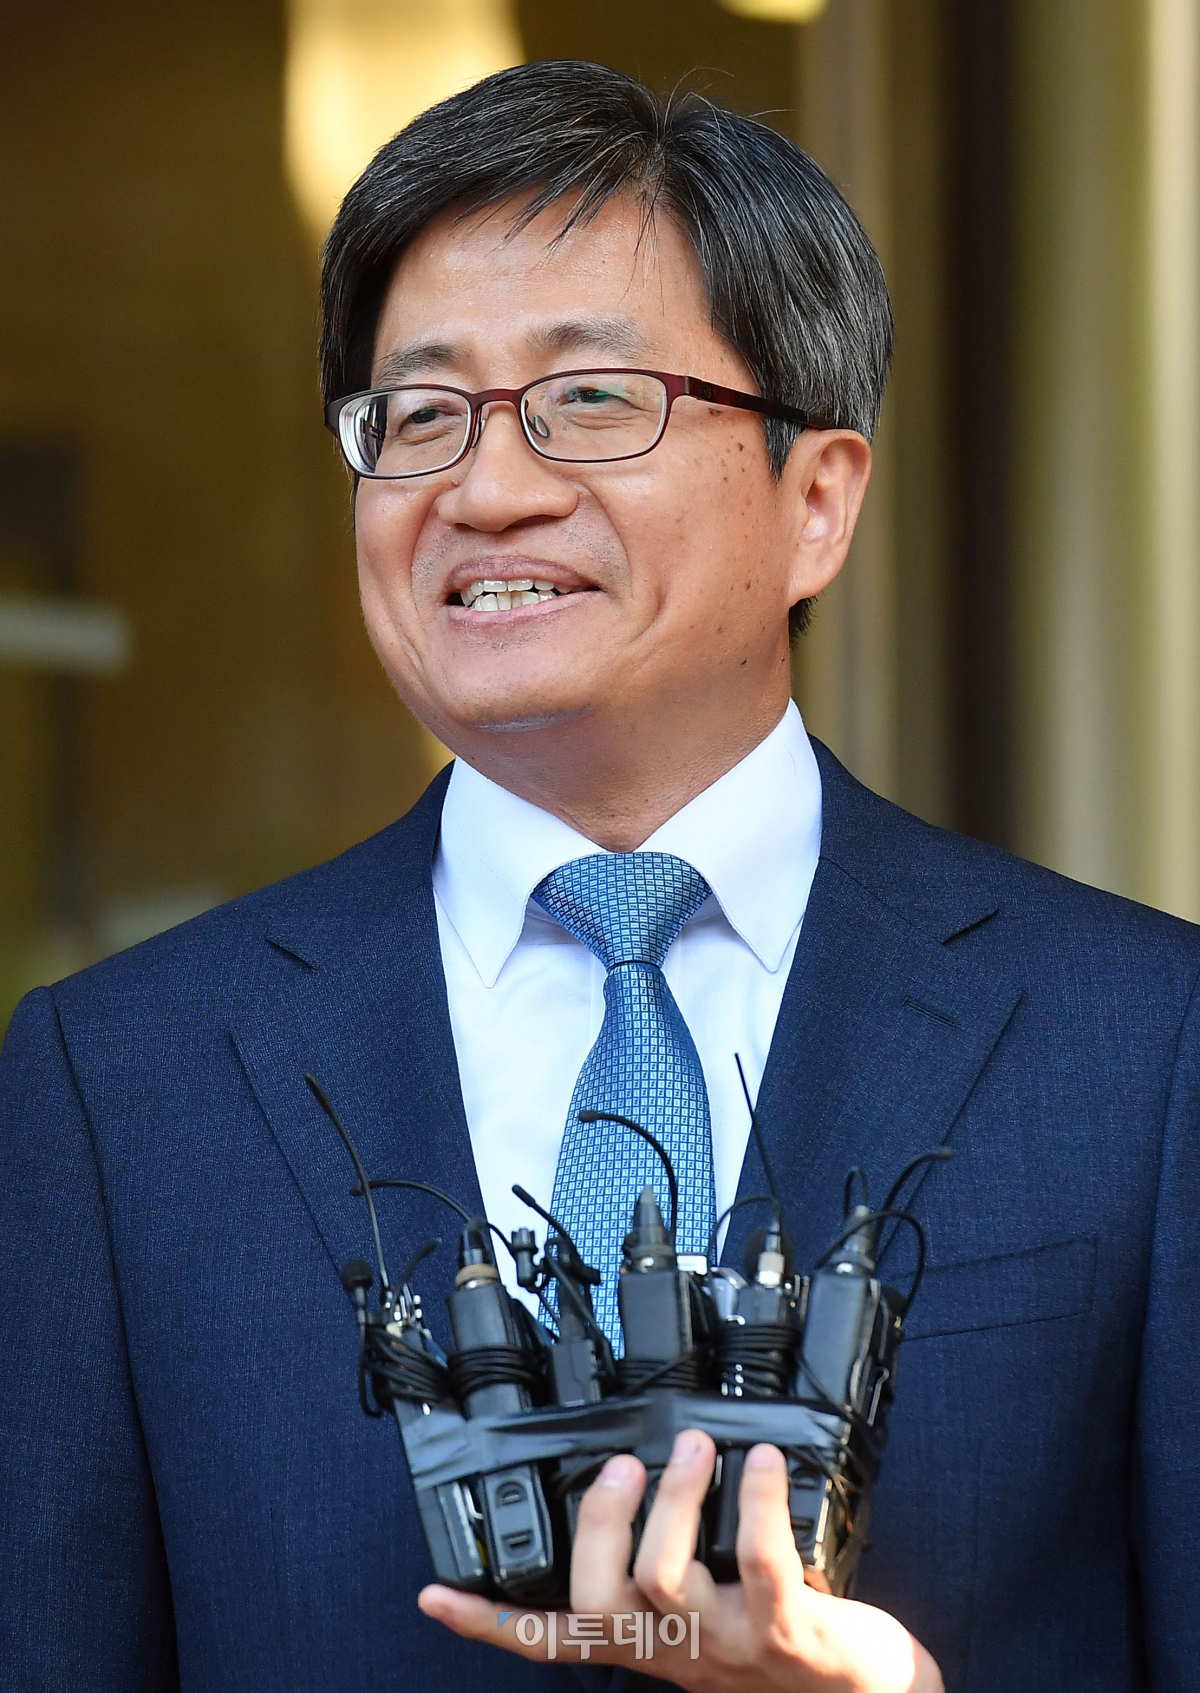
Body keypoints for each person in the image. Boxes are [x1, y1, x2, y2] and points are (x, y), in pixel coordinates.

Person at [2, 58, 1198, 1693]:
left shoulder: (1144, 1044)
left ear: (817, 500)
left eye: (590, 399)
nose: (488, 490)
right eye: (421, 415)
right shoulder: (119, 1082)